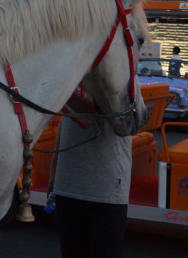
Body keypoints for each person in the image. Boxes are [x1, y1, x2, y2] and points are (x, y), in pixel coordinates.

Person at [49, 87, 131, 257]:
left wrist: (60, 86)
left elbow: (94, 109)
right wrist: (54, 173)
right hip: (67, 187)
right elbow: (65, 124)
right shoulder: (74, 76)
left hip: (105, 192)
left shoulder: (120, 75)